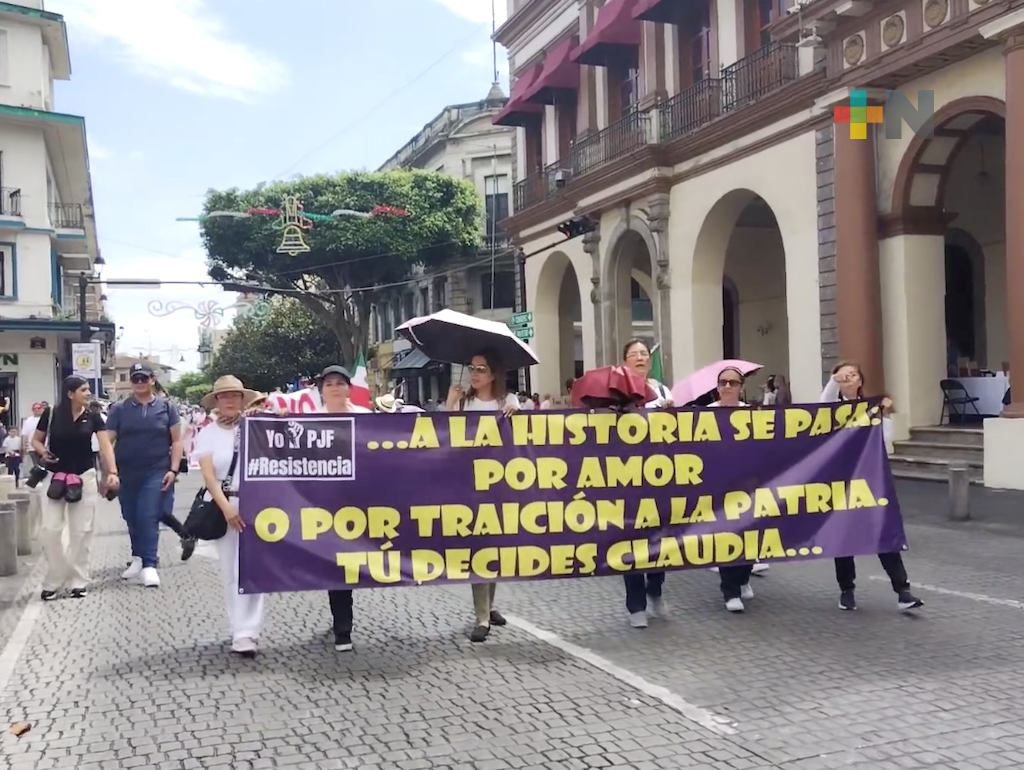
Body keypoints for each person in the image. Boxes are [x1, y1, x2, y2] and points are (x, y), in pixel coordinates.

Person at [821, 361, 924, 612]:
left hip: (869, 480)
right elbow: (824, 402)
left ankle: (903, 591)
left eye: (853, 375)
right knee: (843, 536)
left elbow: (882, 438)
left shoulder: (872, 409)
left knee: (883, 532)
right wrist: (834, 380)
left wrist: (884, 413)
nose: (848, 379)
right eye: (843, 376)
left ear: (860, 380)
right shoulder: (829, 409)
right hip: (840, 481)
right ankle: (847, 590)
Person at [445, 350, 518, 642]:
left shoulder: (507, 401)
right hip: (469, 484)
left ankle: (490, 605)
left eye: (481, 368)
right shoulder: (464, 402)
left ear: (493, 374)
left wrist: (518, 413)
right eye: (471, 367)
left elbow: (528, 430)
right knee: (479, 548)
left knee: (495, 546)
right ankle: (482, 618)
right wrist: (450, 403)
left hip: (500, 483)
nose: (474, 373)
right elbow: (441, 435)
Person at [194, 375, 266, 656]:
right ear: (216, 402)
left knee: (255, 569)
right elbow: (209, 475)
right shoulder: (208, 433)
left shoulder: (254, 427)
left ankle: (251, 630)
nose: (230, 401)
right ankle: (239, 629)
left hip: (256, 504)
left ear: (241, 399)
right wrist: (226, 508)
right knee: (231, 571)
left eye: (235, 396)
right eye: (224, 396)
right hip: (224, 504)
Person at [106, 363, 192, 589]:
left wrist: (173, 470)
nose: (140, 382)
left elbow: (176, 441)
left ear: (153, 379)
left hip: (156, 471)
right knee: (131, 516)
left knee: (149, 516)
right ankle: (137, 558)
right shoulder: (120, 409)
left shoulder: (166, 407)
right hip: (127, 471)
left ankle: (150, 564)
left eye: (144, 378)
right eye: (136, 378)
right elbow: (108, 440)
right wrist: (109, 472)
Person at [32, 376, 118, 600]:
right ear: (70, 394)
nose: (88, 393)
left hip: (84, 476)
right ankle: (55, 576)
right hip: (55, 476)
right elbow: (36, 441)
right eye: (83, 390)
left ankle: (78, 580)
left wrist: (112, 472)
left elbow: (105, 445)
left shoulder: (93, 416)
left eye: (88, 389)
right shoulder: (50, 414)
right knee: (49, 530)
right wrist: (42, 452)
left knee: (81, 532)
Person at [621, 338, 671, 628]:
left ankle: (656, 591)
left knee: (659, 538)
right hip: (626, 476)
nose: (640, 358)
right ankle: (635, 605)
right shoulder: (616, 391)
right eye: (633, 354)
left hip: (659, 475)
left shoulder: (662, 390)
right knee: (630, 540)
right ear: (625, 361)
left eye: (643, 353)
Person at [707, 366, 760, 612]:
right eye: (723, 382)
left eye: (733, 382)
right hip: (719, 486)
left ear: (741, 387)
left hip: (748, 485)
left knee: (749, 535)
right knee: (726, 534)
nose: (727, 386)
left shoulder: (752, 414)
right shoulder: (705, 415)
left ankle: (743, 577)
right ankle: (730, 591)